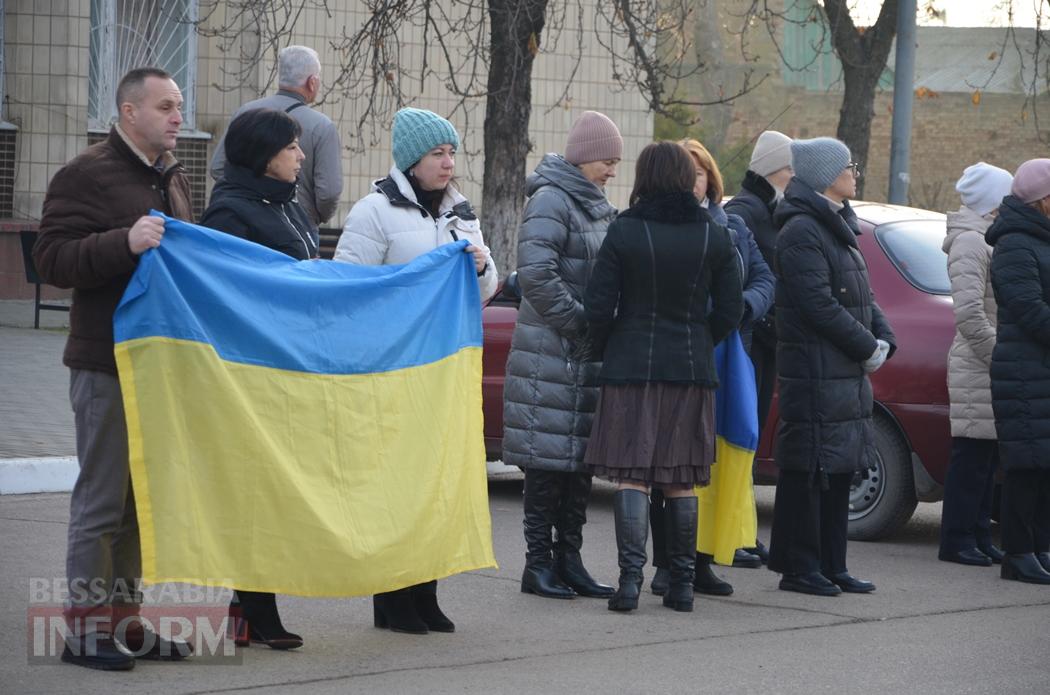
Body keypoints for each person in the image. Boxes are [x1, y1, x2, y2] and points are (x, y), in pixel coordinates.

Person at [32, 67, 194, 670]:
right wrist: (122, 243)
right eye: (167, 106)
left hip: (156, 365)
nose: (179, 116)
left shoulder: (171, 177)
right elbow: (51, 259)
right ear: (130, 113)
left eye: (179, 106)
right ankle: (83, 631)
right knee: (102, 501)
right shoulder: (86, 173)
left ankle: (126, 624)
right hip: (105, 363)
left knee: (134, 504)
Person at [334, 107, 497, 630]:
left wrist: (480, 267)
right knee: (395, 486)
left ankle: (425, 593)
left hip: (441, 368)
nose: (448, 163)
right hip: (392, 367)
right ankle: (393, 600)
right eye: (437, 154)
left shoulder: (460, 212)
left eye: (451, 152)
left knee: (433, 485)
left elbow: (486, 288)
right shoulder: (374, 211)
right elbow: (347, 286)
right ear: (412, 159)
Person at [584, 141, 744, 613]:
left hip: (631, 366)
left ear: (645, 178)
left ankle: (629, 583)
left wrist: (610, 342)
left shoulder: (625, 230)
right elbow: (731, 310)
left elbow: (597, 306)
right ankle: (681, 587)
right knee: (680, 480)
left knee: (632, 477)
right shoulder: (714, 234)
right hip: (691, 370)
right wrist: (699, 338)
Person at [199, 108, 314, 649]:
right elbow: (228, 294)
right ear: (267, 154)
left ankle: (243, 612)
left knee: (275, 490)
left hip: (291, 365)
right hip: (251, 370)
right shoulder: (230, 212)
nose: (301, 155)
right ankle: (258, 609)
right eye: (293, 147)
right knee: (258, 492)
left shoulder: (289, 206)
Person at [767, 137, 896, 596]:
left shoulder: (838, 223)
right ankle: (800, 568)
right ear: (825, 175)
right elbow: (818, 304)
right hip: (815, 369)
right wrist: (866, 346)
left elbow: (864, 294)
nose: (854, 172)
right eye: (848, 165)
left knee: (838, 469)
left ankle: (831, 563)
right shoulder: (802, 229)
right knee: (811, 470)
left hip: (841, 369)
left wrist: (884, 337)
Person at [502, 111, 622, 601]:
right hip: (550, 357)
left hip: (582, 356)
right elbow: (537, 275)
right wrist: (582, 324)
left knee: (577, 467)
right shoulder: (552, 199)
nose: (613, 170)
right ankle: (538, 565)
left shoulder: (594, 204)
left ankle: (569, 560)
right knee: (547, 466)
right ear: (585, 156)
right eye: (608, 160)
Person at [648, 138, 773, 597]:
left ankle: (701, 561)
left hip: (730, 356)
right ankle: (665, 564)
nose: (693, 180)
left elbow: (764, 278)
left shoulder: (734, 227)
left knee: (716, 463)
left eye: (700, 172)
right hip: (679, 356)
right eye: (686, 172)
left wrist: (742, 308)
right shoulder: (660, 226)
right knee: (672, 464)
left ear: (711, 178)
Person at [723, 129, 794, 564]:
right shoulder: (746, 212)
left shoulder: (770, 210)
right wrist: (763, 318)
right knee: (738, 441)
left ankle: (741, 531)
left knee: (747, 441)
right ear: (773, 171)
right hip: (746, 343)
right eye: (789, 170)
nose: (793, 178)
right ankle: (732, 534)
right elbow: (746, 279)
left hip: (762, 343)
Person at [939, 162, 1013, 568]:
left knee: (986, 460)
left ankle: (979, 535)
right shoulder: (970, 242)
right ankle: (956, 539)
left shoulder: (986, 238)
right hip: (976, 364)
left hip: (986, 362)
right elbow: (969, 315)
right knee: (970, 457)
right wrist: (999, 355)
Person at [986, 158, 1050, 585]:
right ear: (1042, 200)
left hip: (1040, 365)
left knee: (1044, 465)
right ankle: (1018, 553)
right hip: (1023, 368)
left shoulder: (1040, 239)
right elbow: (1029, 309)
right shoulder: (1014, 243)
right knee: (1026, 465)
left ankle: (1040, 546)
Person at [210, 45, 342, 234]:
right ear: (312, 82)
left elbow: (217, 167)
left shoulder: (246, 113)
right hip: (298, 227)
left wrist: (245, 198)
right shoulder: (322, 126)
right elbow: (329, 192)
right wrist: (314, 217)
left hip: (241, 223)